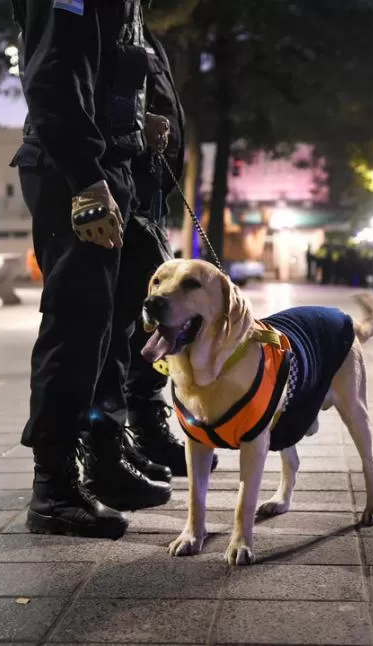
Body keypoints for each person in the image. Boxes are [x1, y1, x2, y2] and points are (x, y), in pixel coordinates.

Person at [10, 0, 172, 540]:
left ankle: (103, 458)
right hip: (74, 174)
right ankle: (53, 487)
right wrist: (85, 177)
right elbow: (54, 75)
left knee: (116, 322)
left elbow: (107, 66)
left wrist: (134, 119)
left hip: (111, 165)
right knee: (77, 326)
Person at [117, 25, 218, 479]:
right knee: (128, 321)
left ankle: (146, 427)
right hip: (118, 184)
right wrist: (141, 121)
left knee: (152, 320)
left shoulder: (144, 29)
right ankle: (117, 437)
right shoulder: (109, 18)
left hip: (148, 190)